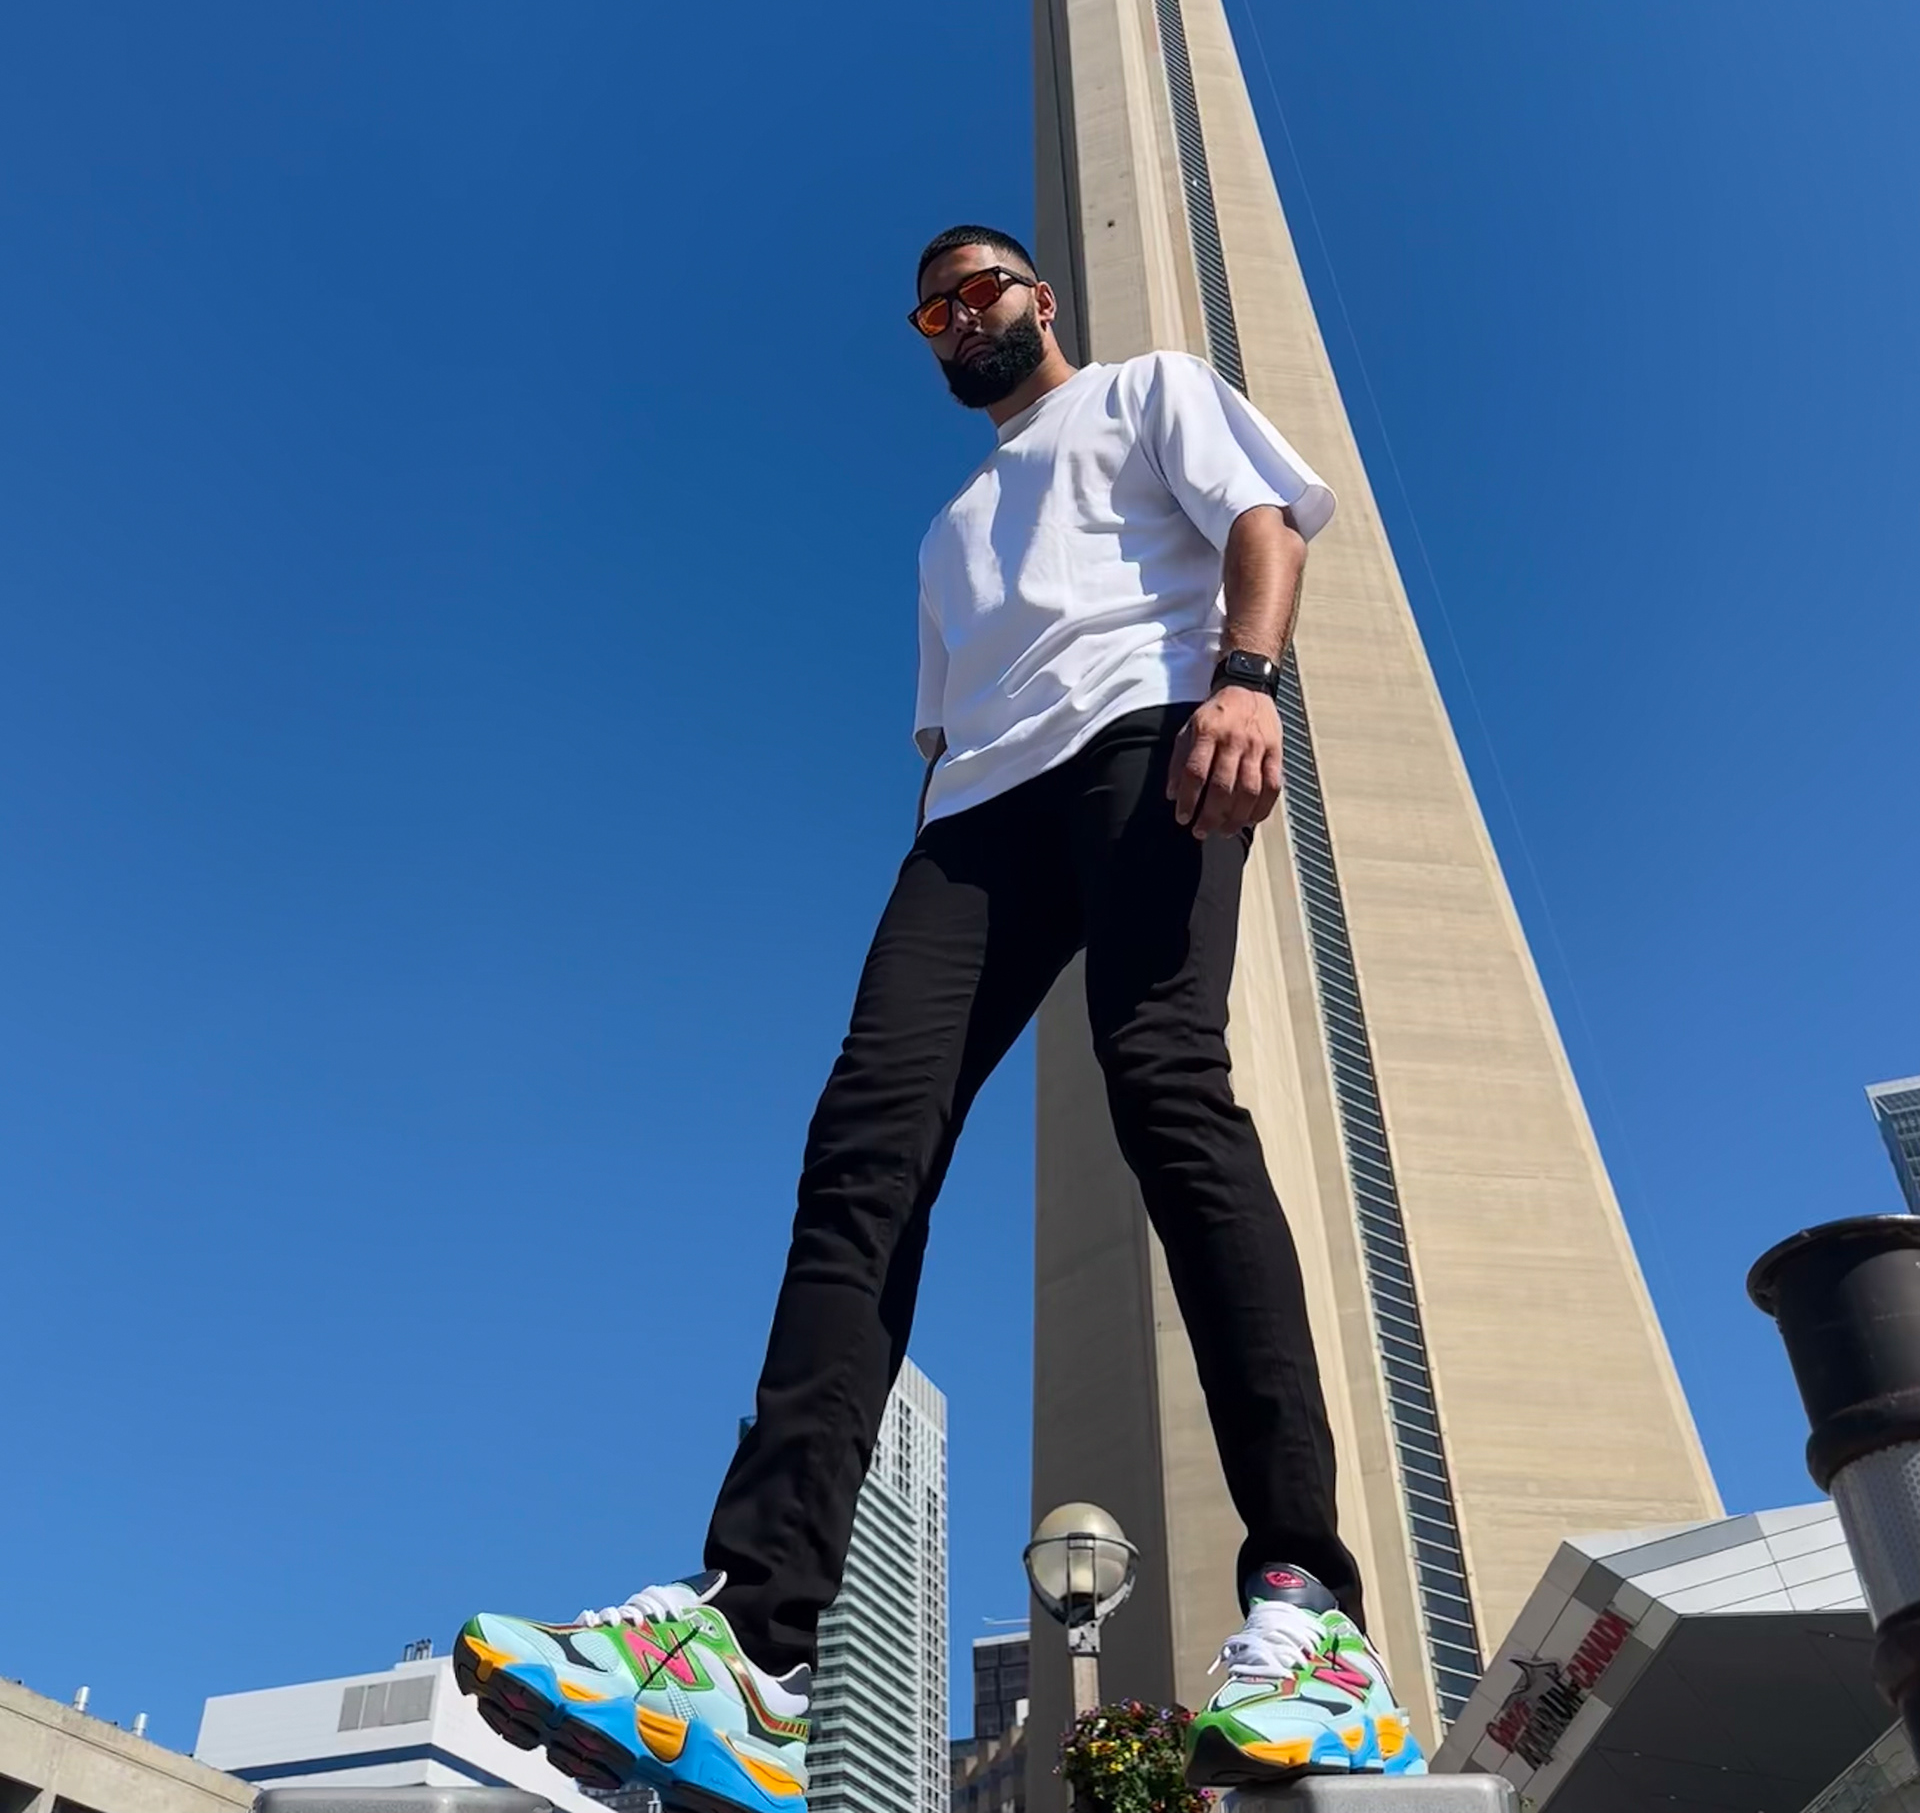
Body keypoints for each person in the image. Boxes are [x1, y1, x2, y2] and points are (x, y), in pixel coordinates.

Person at [454, 227, 1426, 1792]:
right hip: (974, 822)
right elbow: (949, 732)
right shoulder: (947, 531)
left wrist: (1248, 681)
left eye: (984, 288)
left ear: (1043, 296)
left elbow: (1265, 525)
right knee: (863, 1150)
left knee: (1163, 1079)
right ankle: (749, 1646)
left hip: (1152, 729)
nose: (963, 316)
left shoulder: (1148, 393)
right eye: (934, 310)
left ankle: (1311, 1610)